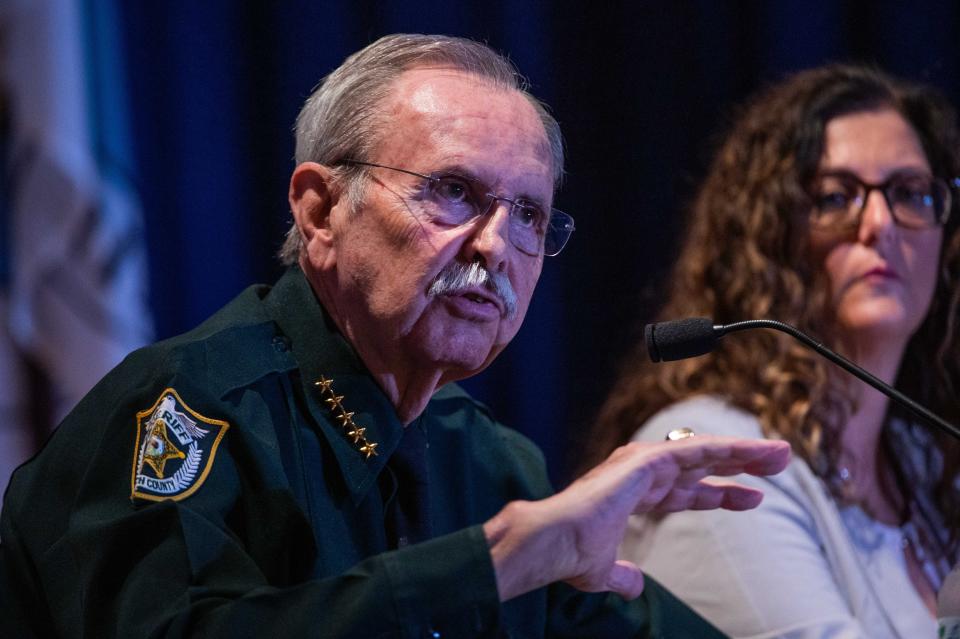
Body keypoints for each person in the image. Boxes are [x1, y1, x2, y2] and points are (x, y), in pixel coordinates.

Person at [0, 34, 790, 638]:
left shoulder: (489, 459)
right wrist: (495, 561)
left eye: (528, 215)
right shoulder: (188, 408)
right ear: (318, 212)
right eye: (453, 192)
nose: (495, 247)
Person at [590, 64, 960, 638]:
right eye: (837, 197)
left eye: (910, 194)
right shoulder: (713, 458)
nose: (880, 225)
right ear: (767, 236)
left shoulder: (925, 462)